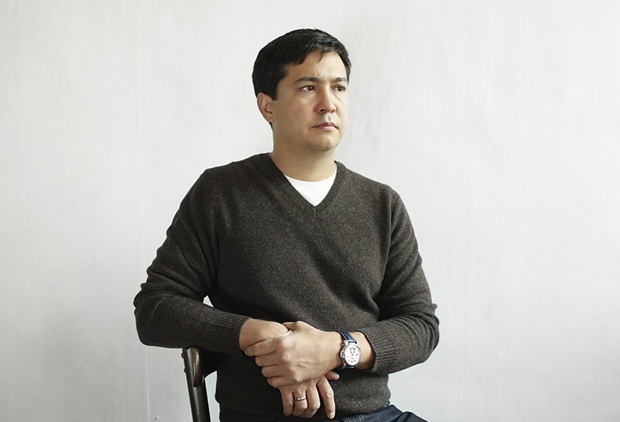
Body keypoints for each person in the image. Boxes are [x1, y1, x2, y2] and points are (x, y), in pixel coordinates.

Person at [134, 28, 439, 421]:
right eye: (308, 87)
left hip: (374, 414)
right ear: (267, 106)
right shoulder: (220, 194)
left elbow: (421, 326)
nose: (328, 104)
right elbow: (155, 309)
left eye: (339, 88)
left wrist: (338, 348)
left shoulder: (382, 204)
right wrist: (256, 334)